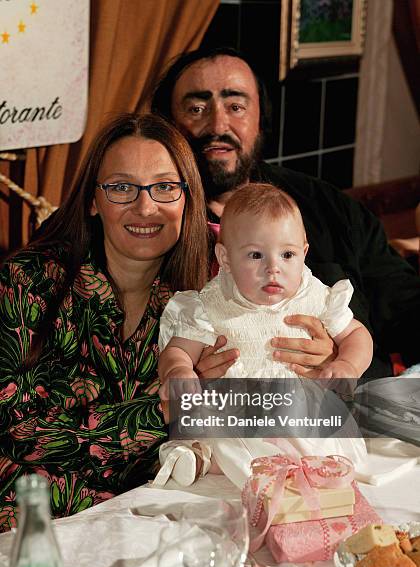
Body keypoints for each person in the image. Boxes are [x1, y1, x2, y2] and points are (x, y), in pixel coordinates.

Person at [151, 47, 420, 381]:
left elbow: (407, 308)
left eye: (236, 106)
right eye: (196, 108)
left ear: (260, 119)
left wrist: (342, 359)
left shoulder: (327, 207)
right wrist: (185, 370)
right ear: (169, 125)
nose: (218, 124)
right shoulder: (155, 223)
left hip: (350, 415)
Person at [0, 113, 210, 530]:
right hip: (29, 531)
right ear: (94, 200)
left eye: (165, 187)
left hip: (148, 523)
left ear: (188, 197)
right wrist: (165, 410)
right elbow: (16, 428)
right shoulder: (28, 281)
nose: (146, 207)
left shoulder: (205, 300)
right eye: (121, 187)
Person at [154, 184, 371, 488]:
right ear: (225, 258)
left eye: (287, 254)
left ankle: (304, 470)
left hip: (300, 414)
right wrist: (179, 371)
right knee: (218, 438)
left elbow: (358, 335)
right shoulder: (211, 305)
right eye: (256, 255)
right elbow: (178, 349)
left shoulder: (316, 296)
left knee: (323, 442)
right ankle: (199, 458)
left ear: (304, 253)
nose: (273, 268)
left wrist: (348, 364)